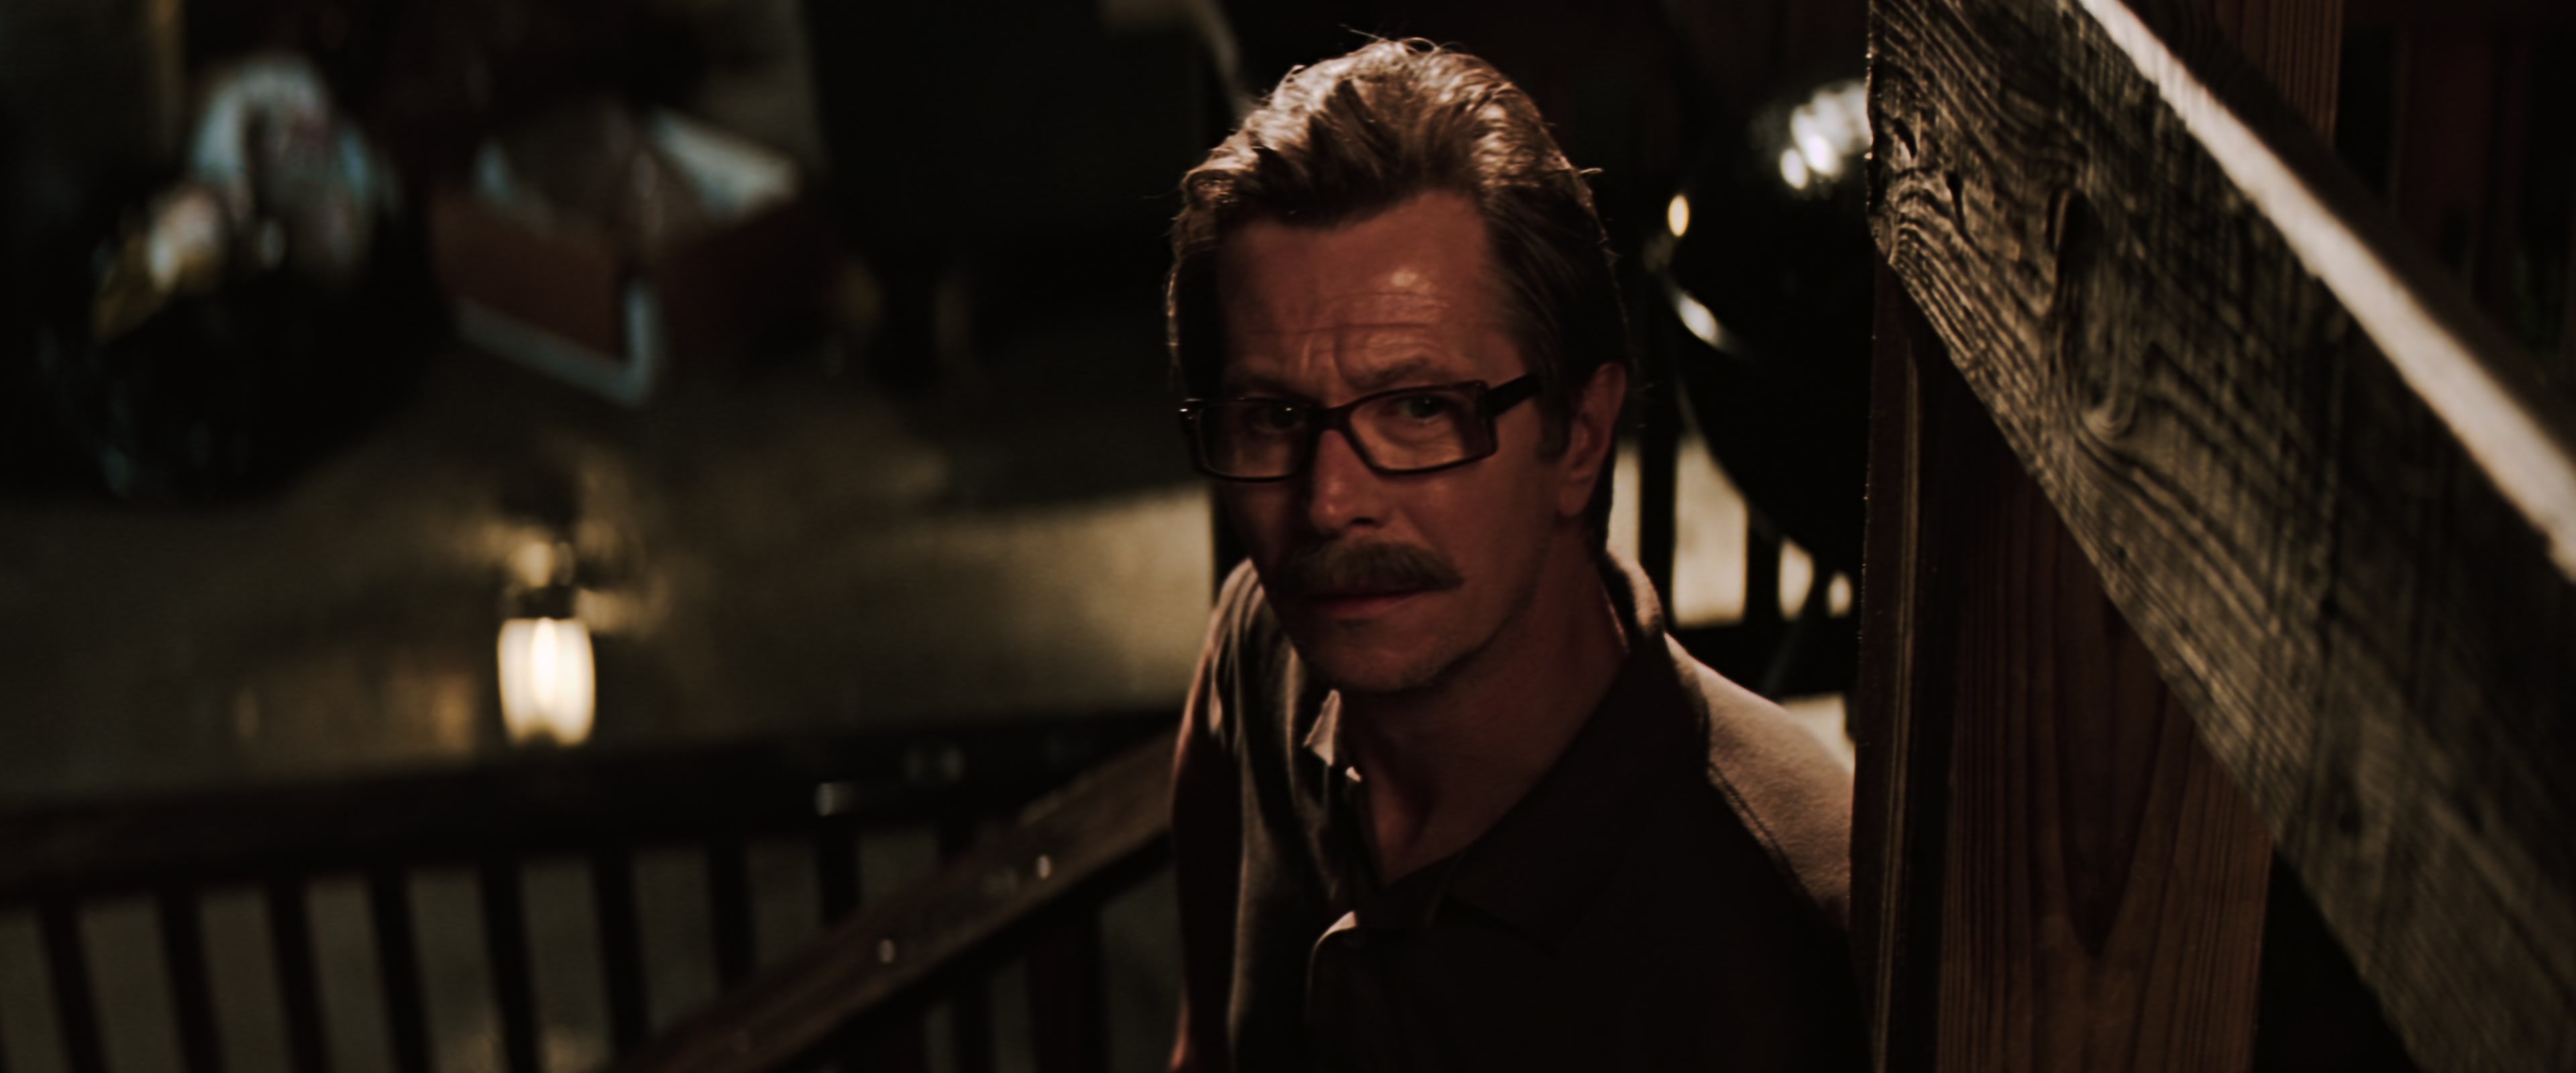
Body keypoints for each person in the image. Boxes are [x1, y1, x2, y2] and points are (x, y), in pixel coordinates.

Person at [1164, 39, 1864, 1072]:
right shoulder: (1266, 644)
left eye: (1420, 409)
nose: (1329, 502)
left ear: (1580, 438)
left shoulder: (1792, 922)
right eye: (1273, 417)